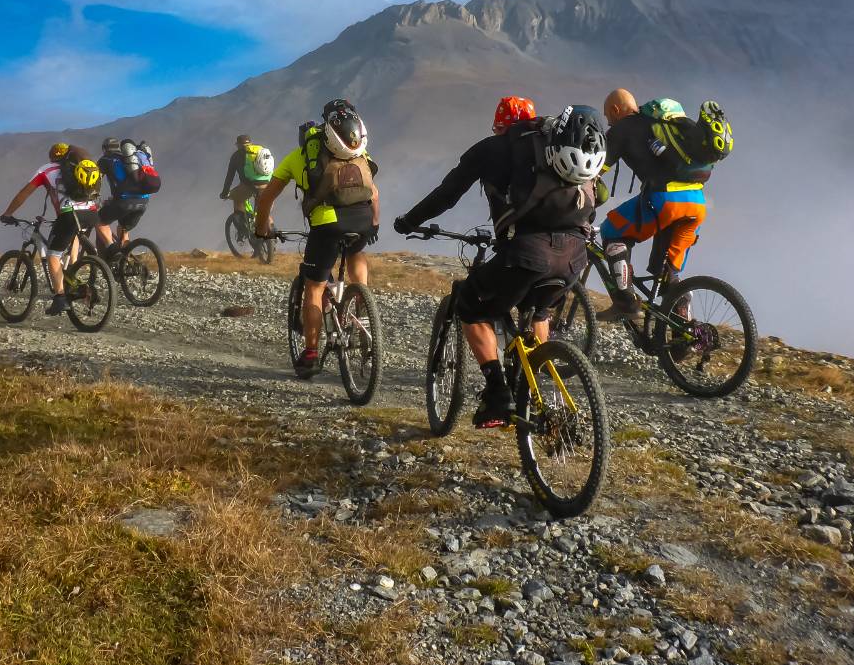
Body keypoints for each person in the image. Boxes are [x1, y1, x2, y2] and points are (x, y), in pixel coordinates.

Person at [395, 105, 606, 427]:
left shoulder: (493, 148)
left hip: (526, 254)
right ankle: (528, 384)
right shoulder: (556, 145)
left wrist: (409, 221)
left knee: (471, 305)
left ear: (499, 126)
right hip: (574, 258)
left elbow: (447, 194)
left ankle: (497, 395)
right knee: (538, 310)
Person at [253, 100, 379, 377]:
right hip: (363, 218)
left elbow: (265, 199)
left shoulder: (298, 157)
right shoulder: (356, 151)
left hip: (327, 225)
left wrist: (261, 229)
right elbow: (374, 192)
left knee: (314, 287)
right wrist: (375, 222)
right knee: (356, 253)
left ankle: (310, 354)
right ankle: (362, 307)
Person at [595, 88, 707, 321]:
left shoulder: (621, 130)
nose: (608, 122)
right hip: (696, 203)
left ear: (616, 110)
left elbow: (594, 171)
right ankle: (681, 333)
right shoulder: (658, 125)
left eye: (608, 116)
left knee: (611, 230)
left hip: (664, 199)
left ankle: (625, 302)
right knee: (668, 273)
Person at [0, 141, 101, 315]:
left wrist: (8, 213)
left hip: (70, 215)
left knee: (53, 255)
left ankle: (60, 298)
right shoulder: (78, 166)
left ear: (52, 156)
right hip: (92, 212)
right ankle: (73, 278)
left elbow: (24, 193)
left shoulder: (46, 170)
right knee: (72, 237)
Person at [97, 138, 157, 255]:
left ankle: (111, 248)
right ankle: (126, 257)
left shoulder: (105, 159)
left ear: (104, 149)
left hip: (123, 201)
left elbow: (95, 180)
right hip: (143, 201)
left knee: (99, 219)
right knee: (123, 226)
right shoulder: (129, 159)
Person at [221, 134, 271, 217]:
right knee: (264, 214)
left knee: (237, 198)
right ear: (251, 143)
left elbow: (229, 177)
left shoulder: (236, 156)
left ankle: (241, 227)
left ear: (238, 145)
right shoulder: (260, 152)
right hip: (267, 185)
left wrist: (225, 193)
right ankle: (271, 228)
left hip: (249, 185)